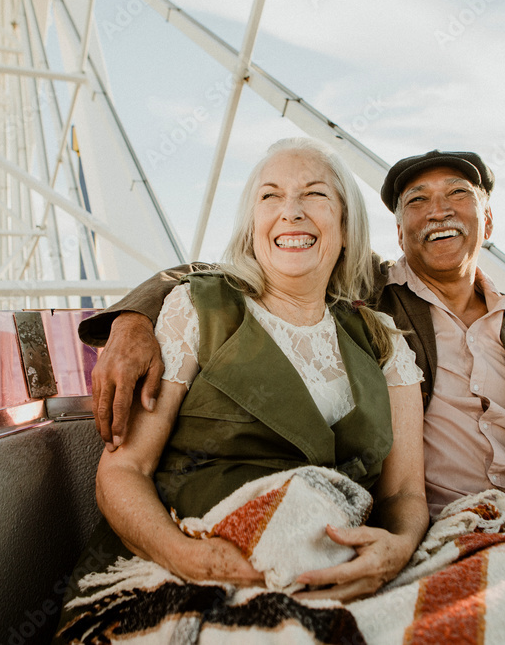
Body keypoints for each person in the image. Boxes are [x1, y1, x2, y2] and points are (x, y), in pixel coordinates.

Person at [80, 149, 505, 526]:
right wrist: (132, 320)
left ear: (488, 221)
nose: (438, 211)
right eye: (417, 201)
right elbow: (238, 271)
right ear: (397, 229)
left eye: (458, 195)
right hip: (435, 527)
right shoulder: (369, 303)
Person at [67, 138, 429, 616]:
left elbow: (404, 493)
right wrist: (187, 557)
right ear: (252, 224)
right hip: (190, 566)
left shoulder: (383, 341)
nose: (291, 212)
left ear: (345, 225)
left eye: (315, 194)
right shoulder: (198, 309)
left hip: (341, 574)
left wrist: (398, 548)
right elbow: (122, 472)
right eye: (270, 196)